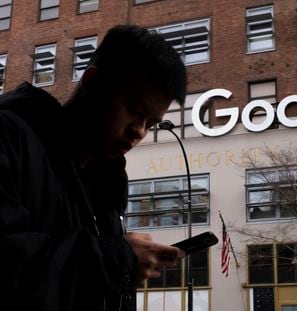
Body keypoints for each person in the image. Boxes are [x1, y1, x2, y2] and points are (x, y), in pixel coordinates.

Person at [0, 25, 187, 311]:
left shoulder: (106, 188)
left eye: (151, 124)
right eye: (135, 112)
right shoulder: (9, 138)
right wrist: (117, 258)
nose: (139, 132)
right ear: (93, 83)